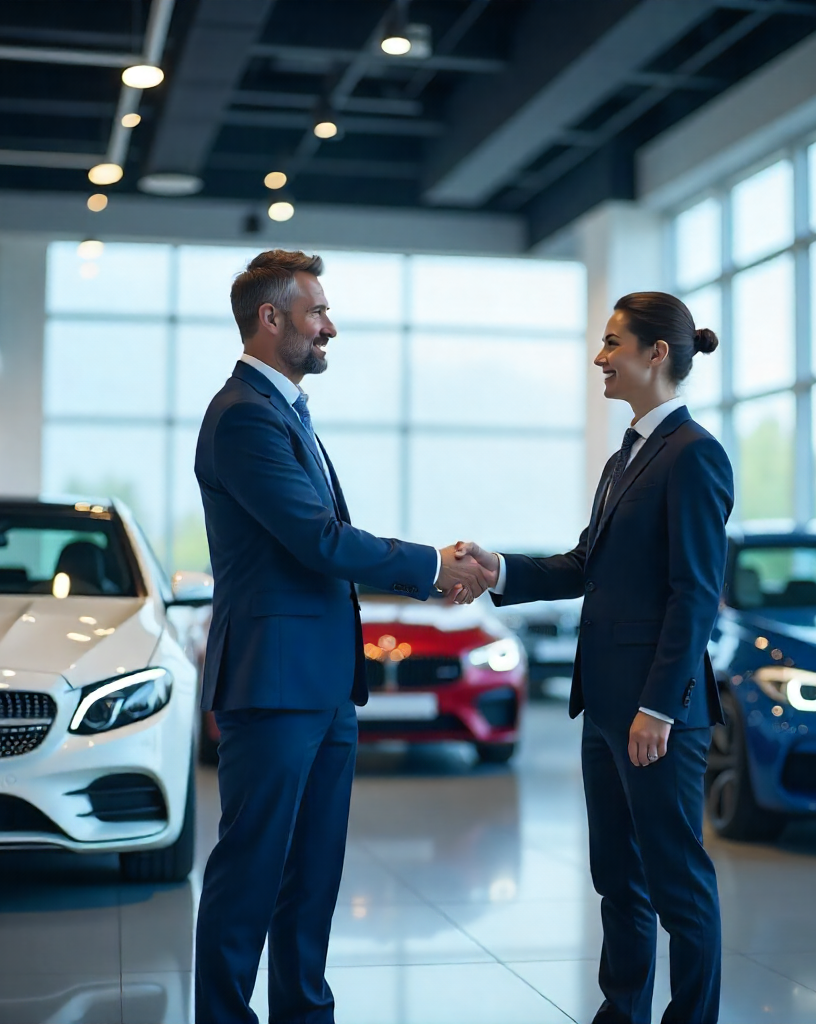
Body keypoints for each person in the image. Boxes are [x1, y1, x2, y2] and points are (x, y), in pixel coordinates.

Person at [192, 249, 490, 1024]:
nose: (330, 324)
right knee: (252, 870)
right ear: (271, 318)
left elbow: (327, 542)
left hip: (321, 682)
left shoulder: (284, 411)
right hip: (274, 682)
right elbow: (320, 541)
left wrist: (431, 572)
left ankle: (303, 1014)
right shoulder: (243, 418)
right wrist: (432, 564)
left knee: (314, 872)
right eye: (317, 310)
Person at [459, 291, 733, 1024]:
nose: (600, 358)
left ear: (656, 354)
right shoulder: (628, 457)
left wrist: (656, 706)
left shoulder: (695, 455)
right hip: (605, 706)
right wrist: (499, 570)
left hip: (656, 715)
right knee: (618, 878)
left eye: (614, 343)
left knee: (678, 884)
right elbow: (587, 564)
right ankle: (622, 1013)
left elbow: (695, 595)